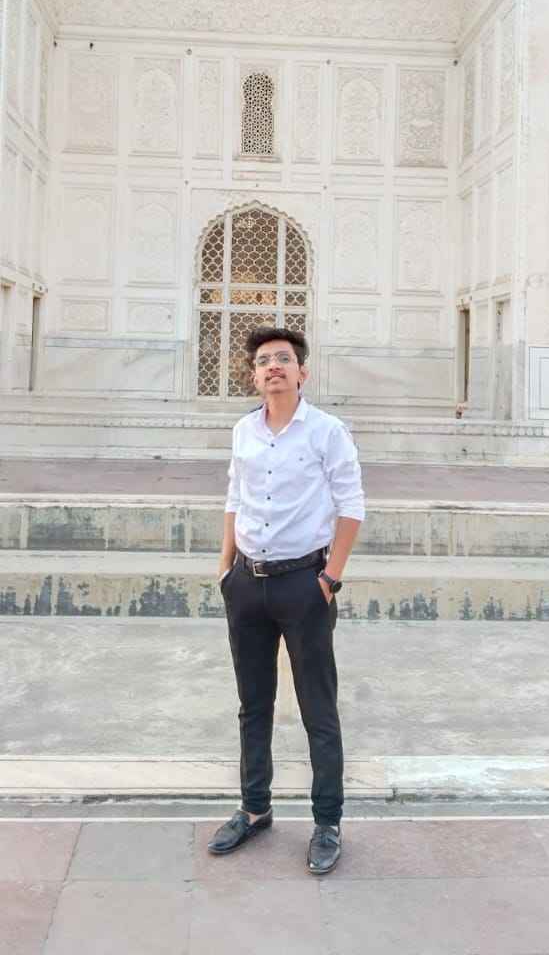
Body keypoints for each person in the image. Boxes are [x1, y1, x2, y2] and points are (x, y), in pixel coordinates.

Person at [207, 324, 365, 874]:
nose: (272, 366)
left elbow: (351, 506)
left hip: (305, 585)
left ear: (302, 373)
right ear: (254, 377)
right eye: (263, 361)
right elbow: (235, 495)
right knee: (253, 704)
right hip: (246, 584)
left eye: (283, 359)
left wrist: (330, 579)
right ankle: (255, 808)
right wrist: (225, 567)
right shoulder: (244, 431)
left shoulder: (327, 431)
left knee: (317, 707)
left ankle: (327, 822)